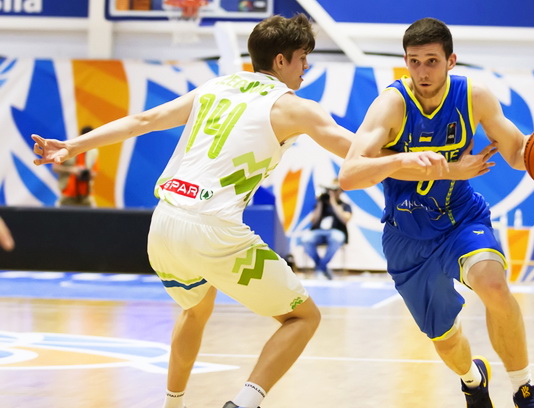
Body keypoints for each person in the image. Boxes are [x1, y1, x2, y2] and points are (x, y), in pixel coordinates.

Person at [32, 14, 353, 408]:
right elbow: (355, 150)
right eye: (303, 57)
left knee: (195, 310)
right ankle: (243, 404)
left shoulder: (217, 86)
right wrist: (410, 159)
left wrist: (72, 145)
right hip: (212, 229)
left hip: (164, 223)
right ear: (282, 60)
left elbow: (144, 120)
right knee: (303, 318)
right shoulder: (296, 108)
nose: (306, 66)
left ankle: (172, 404)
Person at [339, 18, 534, 408]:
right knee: (446, 340)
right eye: (414, 61)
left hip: (461, 218)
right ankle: (472, 380)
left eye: (432, 61)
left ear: (451, 61)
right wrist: (411, 161)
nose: (422, 72)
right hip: (407, 235)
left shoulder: (473, 97)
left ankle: (524, 390)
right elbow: (349, 174)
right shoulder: (391, 105)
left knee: (494, 286)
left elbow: (518, 153)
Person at [301, 179, 352, 279]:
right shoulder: (321, 204)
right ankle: (323, 268)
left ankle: (320, 268)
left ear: (341, 191)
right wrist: (320, 203)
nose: (332, 192)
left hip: (336, 231)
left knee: (337, 238)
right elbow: (313, 220)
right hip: (318, 231)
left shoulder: (345, 205)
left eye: (336, 190)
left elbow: (345, 219)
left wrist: (333, 202)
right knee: (306, 239)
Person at [52, 126, 99, 207]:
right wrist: (72, 170)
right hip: (68, 193)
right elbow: (55, 167)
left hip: (85, 194)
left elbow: (94, 173)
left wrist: (86, 172)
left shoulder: (93, 152)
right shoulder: (68, 148)